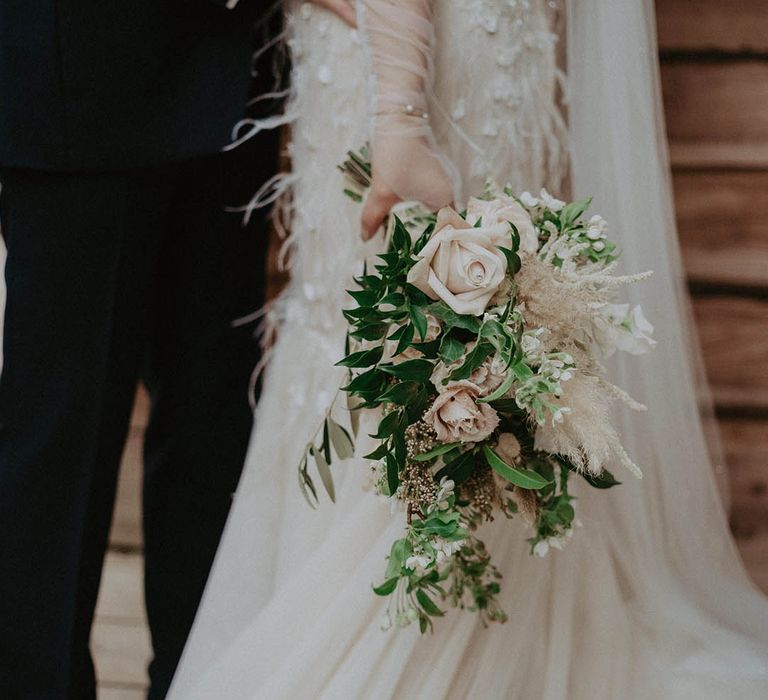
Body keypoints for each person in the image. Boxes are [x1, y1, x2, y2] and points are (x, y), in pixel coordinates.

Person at [171, 1, 768, 698]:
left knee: (398, 311)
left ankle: (424, 618)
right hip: (476, 34)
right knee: (419, 310)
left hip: (399, 51)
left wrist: (397, 114)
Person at [0, 1, 279, 698]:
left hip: (236, 74)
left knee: (215, 412)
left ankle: (200, 678)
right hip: (78, 74)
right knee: (61, 429)